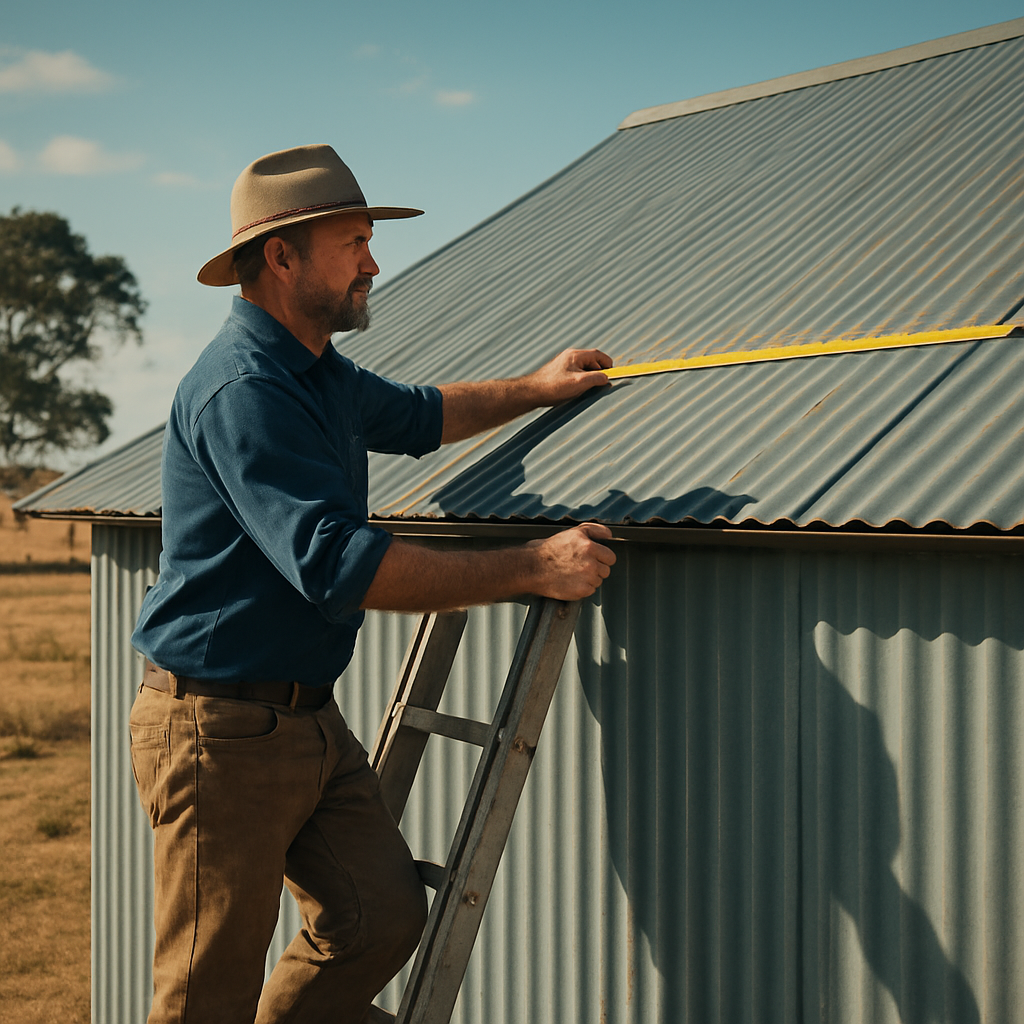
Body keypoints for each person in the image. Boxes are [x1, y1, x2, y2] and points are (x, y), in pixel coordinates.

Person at [129, 144, 616, 1024]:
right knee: (206, 996)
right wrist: (533, 567)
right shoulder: (244, 390)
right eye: (353, 242)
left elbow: (426, 412)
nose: (373, 263)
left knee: (381, 915)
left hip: (305, 717)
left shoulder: (320, 373)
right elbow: (337, 564)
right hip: (216, 729)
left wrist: (539, 389)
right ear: (283, 257)